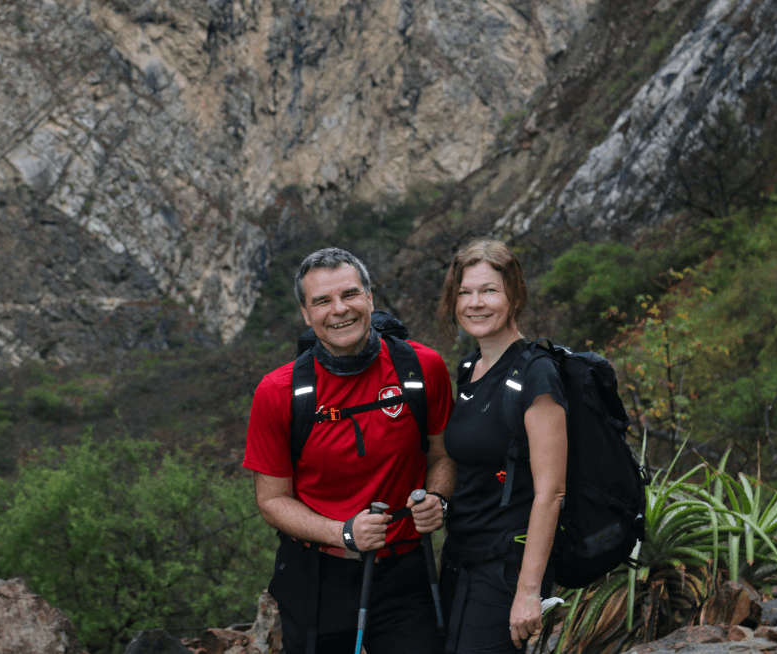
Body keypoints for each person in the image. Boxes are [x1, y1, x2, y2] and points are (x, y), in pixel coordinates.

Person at [243, 247, 455, 654]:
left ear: (370, 299)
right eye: (322, 301)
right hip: (317, 578)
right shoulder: (279, 392)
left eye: (350, 295)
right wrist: (342, 533)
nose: (339, 310)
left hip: (406, 571)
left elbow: (443, 455)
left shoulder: (422, 368)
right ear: (306, 314)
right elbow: (271, 500)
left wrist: (439, 499)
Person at [436, 239, 567, 653]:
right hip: (460, 558)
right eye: (464, 292)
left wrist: (528, 591)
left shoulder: (537, 374)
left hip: (507, 569)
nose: (475, 303)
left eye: (489, 290)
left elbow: (551, 491)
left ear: (514, 295)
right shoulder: (470, 369)